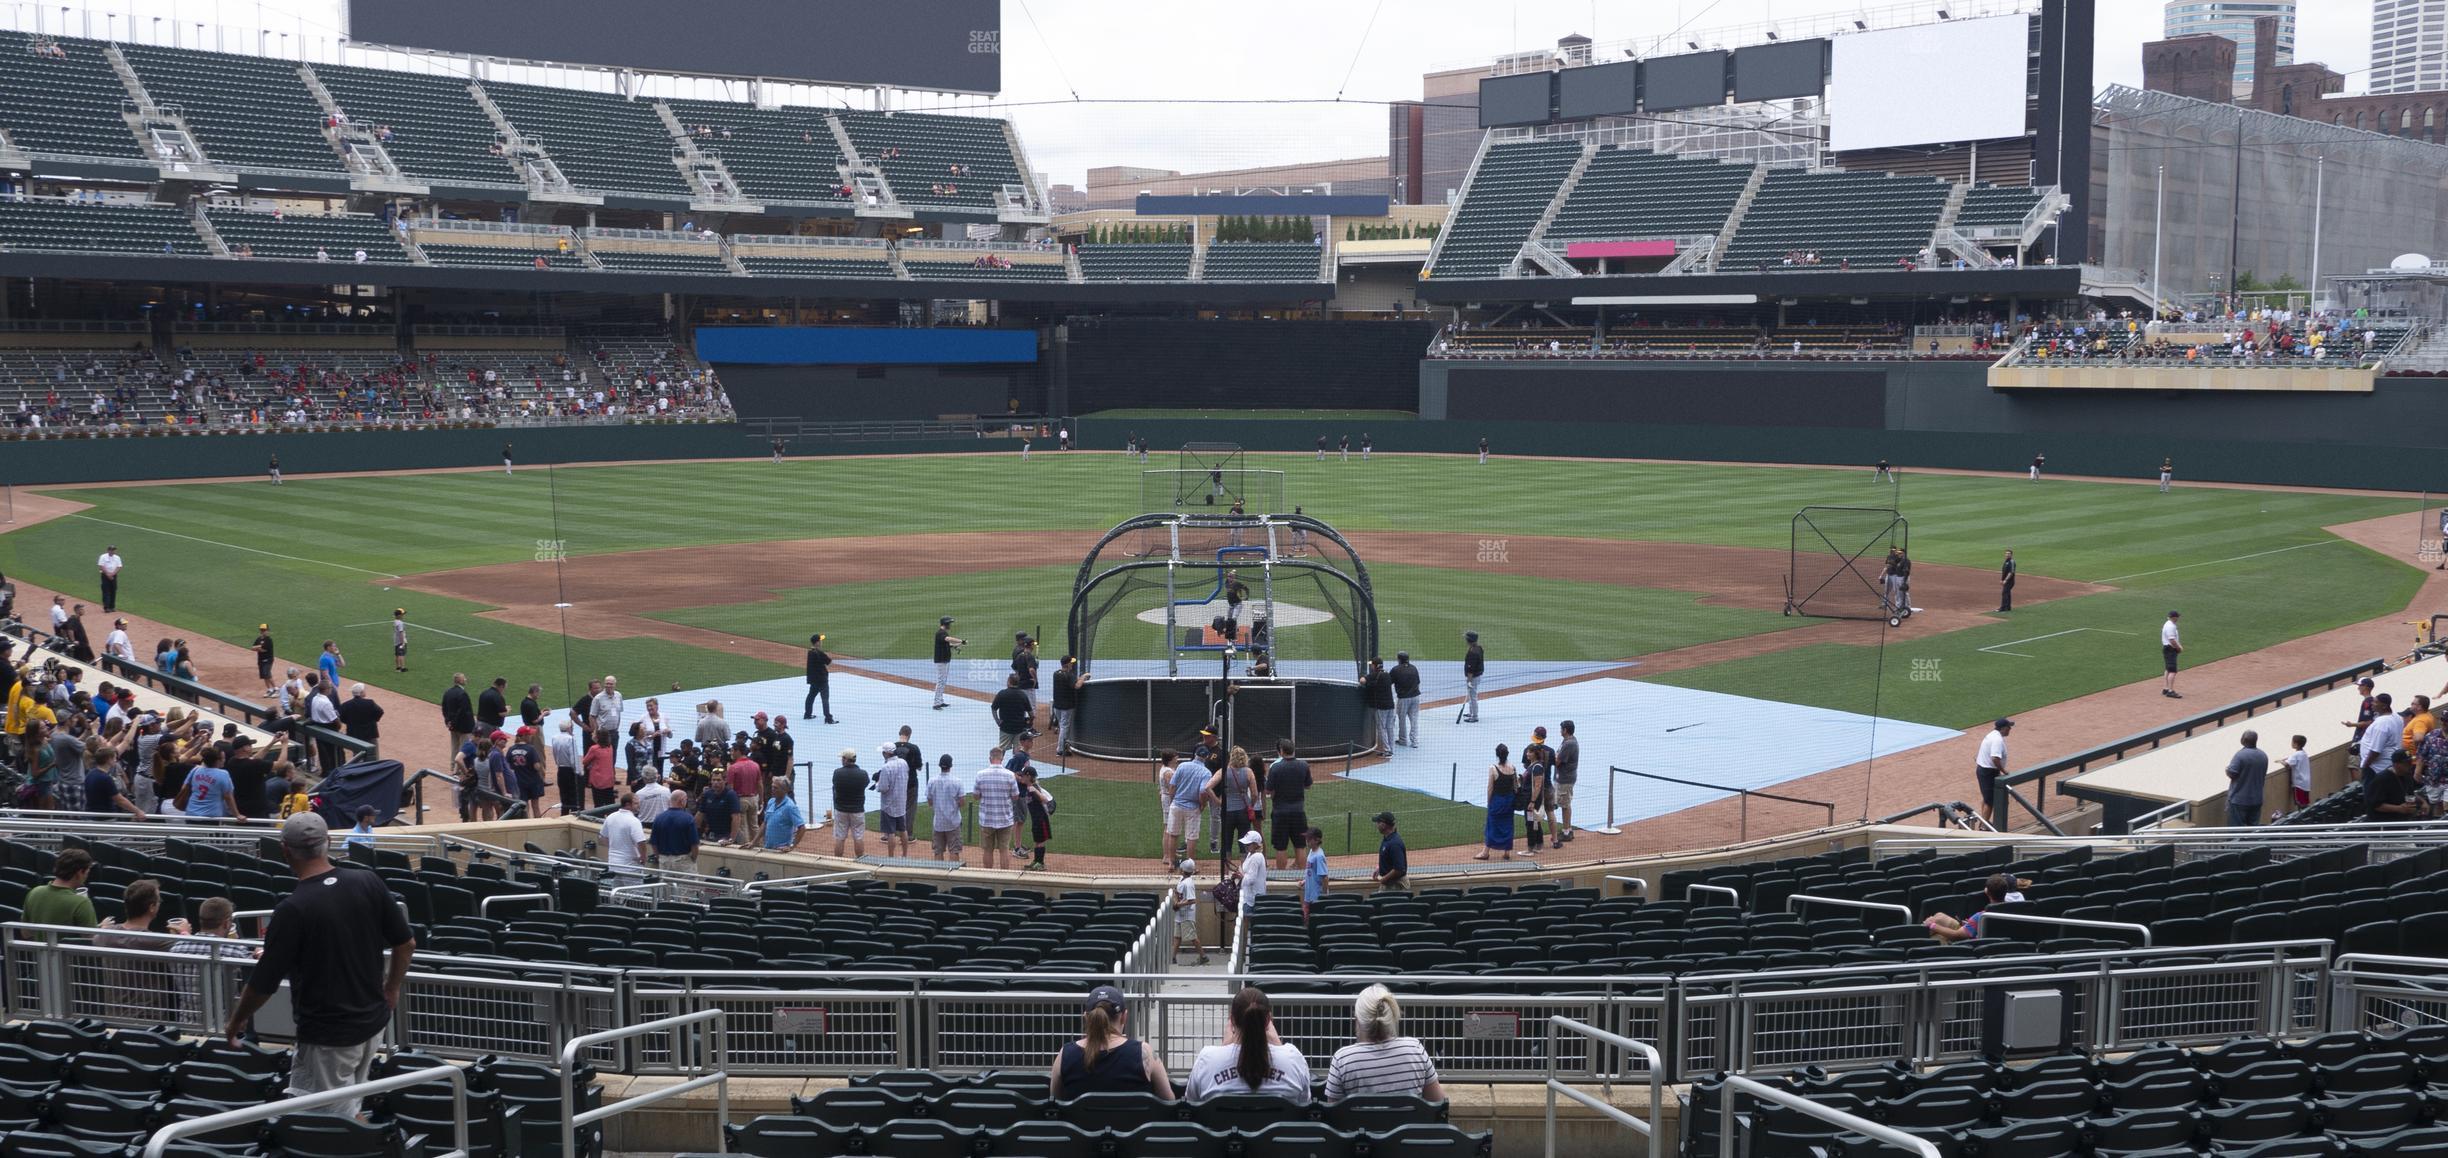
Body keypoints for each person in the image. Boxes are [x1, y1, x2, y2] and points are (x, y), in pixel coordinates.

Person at [224, 814, 415, 1119]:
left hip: (329, 1036)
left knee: (334, 1124)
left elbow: (264, 982)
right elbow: (406, 944)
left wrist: (236, 1022)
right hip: (372, 1024)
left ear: (285, 850)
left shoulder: (292, 909)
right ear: (328, 843)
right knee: (349, 1107)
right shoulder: (367, 880)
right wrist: (391, 989)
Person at [1184, 987, 1310, 1103]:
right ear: (1268, 1020)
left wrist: (1223, 1050)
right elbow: (1304, 1105)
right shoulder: (1293, 1058)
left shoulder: (1207, 1059)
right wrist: (1280, 1048)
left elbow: (1192, 1104)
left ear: (1232, 1020)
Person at [1323, 985, 1446, 1101]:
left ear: (1357, 1020)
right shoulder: (1415, 1049)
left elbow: (1334, 1115)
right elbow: (1438, 1103)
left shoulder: (1342, 1059)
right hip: (1409, 1123)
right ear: (1392, 1016)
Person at [1050, 985, 1174, 1099]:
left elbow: (1055, 1101)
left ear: (1086, 1018)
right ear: (1124, 1017)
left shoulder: (1065, 1054)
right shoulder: (1144, 1052)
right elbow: (1169, 1101)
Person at [23, 848, 97, 928]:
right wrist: (103, 929)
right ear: (79, 873)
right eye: (87, 873)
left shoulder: (34, 892)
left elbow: (25, 933)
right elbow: (90, 938)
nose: (86, 877)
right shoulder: (81, 903)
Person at [974, 749, 1020, 870]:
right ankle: (1004, 878)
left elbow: (976, 796)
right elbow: (1016, 796)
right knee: (1004, 850)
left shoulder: (980, 774)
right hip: (1005, 818)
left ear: (990, 758)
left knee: (987, 850)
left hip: (986, 819)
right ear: (1002, 759)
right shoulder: (1010, 775)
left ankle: (988, 878)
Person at [1209, 746, 1259, 853]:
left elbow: (1207, 787)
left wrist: (1218, 802)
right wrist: (1251, 805)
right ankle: (1244, 868)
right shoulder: (1248, 772)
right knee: (1244, 844)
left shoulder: (1223, 771)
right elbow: (1254, 794)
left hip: (1227, 810)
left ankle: (1226, 869)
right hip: (1243, 811)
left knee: (1227, 844)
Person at [1166, 748, 1210, 867]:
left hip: (1176, 805)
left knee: (1173, 834)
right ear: (1206, 757)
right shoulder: (1206, 772)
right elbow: (1202, 792)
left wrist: (1172, 801)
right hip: (1193, 807)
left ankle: (1171, 862)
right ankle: (1190, 866)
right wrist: (1202, 805)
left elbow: (1172, 786)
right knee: (1191, 837)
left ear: (1195, 755)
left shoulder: (1182, 766)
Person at [1475, 744, 1518, 861]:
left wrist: (1489, 802)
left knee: (1492, 824)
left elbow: (1490, 788)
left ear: (1497, 755)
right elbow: (1515, 786)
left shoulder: (1493, 768)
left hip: (1497, 801)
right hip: (1509, 801)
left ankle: (1485, 852)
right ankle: (1507, 852)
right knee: (1508, 825)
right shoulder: (1513, 768)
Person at [927, 753, 970, 861]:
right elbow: (962, 802)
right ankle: (953, 875)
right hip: (953, 822)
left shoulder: (932, 781)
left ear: (940, 765)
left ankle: (939, 875)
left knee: (938, 851)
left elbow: (930, 802)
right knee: (954, 850)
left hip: (938, 823)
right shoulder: (957, 781)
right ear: (951, 766)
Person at [830, 748, 869, 859]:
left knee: (840, 837)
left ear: (846, 759)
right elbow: (865, 784)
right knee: (858, 837)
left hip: (841, 810)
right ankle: (860, 860)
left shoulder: (837, 773)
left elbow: (835, 785)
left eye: (842, 758)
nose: (841, 760)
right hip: (857, 811)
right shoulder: (863, 774)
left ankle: (837, 861)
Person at [2361, 693, 2406, 788]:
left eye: (2375, 702)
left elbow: (2375, 750)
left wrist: (2365, 766)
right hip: (2388, 764)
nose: (2372, 704)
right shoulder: (2397, 717)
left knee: (2373, 798)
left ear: (2384, 706)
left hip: (2376, 767)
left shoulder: (2382, 723)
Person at [1975, 717, 2013, 829]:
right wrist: (2004, 771)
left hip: (1983, 770)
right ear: (2003, 728)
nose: (2010, 729)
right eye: (2009, 727)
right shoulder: (1997, 740)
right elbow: (1995, 758)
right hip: (1988, 773)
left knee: (1987, 798)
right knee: (1990, 802)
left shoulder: (1991, 734)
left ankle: (1984, 822)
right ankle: (1982, 828)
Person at [1016, 763, 1055, 871]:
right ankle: (1036, 861)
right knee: (1037, 840)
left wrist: (1035, 791)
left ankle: (1040, 863)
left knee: (1041, 840)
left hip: (1041, 818)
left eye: (1023, 775)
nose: (1021, 777)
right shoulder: (1027, 786)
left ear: (1028, 776)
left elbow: (1045, 800)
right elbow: (1017, 777)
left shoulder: (1033, 788)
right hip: (1036, 819)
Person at [650, 789, 699, 873]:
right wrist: (693, 859)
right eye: (686, 800)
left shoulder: (659, 818)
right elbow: (694, 844)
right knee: (687, 886)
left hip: (664, 860)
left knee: (666, 885)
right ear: (682, 801)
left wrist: (659, 857)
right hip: (683, 860)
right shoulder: (688, 818)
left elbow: (654, 843)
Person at [601, 792, 647, 877]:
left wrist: (613, 848)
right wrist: (643, 857)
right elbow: (641, 842)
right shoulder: (634, 821)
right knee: (634, 890)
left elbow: (603, 837)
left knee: (616, 889)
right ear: (628, 805)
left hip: (613, 863)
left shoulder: (611, 816)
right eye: (636, 803)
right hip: (630, 865)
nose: (639, 806)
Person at [1170, 858, 1207, 964]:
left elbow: (1192, 900)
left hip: (1186, 915)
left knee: (1192, 937)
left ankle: (1203, 957)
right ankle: (1173, 957)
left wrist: (1178, 904)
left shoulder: (1188, 883)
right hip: (1180, 914)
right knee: (1177, 936)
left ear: (1182, 870)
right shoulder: (1182, 879)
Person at [2369, 750, 2419, 822]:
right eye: (2407, 763)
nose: (2410, 765)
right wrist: (2398, 808)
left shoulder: (2407, 775)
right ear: (2396, 764)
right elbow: (2375, 805)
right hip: (2386, 824)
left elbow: (2410, 793)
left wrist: (2423, 802)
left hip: (2404, 821)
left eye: (2411, 762)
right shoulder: (2382, 779)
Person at [1049, 654, 1083, 756]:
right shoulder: (1069, 675)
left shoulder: (1056, 674)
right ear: (1068, 664)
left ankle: (1065, 745)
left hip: (1057, 706)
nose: (1072, 664)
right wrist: (1083, 678)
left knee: (1062, 726)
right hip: (1066, 707)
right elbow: (1077, 686)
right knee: (1064, 727)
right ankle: (1060, 749)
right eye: (1071, 663)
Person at [762, 776, 805, 850]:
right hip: (767, 847)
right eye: (772, 787)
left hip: (781, 850)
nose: (772, 790)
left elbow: (802, 828)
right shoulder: (771, 802)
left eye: (776, 788)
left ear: (785, 790)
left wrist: (791, 846)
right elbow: (765, 823)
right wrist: (753, 842)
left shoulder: (790, 807)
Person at [992, 675, 1033, 748]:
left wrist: (997, 721)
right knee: (1018, 750)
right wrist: (1030, 722)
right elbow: (1031, 714)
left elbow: (994, 709)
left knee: (1002, 749)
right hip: (1019, 728)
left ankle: (998, 759)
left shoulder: (1002, 694)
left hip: (1005, 727)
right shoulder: (1023, 695)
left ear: (1008, 682)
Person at [931, 617, 963, 709]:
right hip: (941, 661)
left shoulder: (943, 633)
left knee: (943, 681)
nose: (950, 625)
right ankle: (936, 703)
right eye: (949, 623)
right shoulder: (940, 633)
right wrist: (961, 641)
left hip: (945, 660)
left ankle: (940, 701)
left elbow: (948, 645)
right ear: (945, 624)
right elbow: (948, 639)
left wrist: (958, 645)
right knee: (941, 681)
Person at [1371, 811, 1408, 890]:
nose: (1376, 825)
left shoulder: (1394, 844)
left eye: (1378, 822)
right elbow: (1389, 859)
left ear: (1383, 825)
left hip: (1396, 886)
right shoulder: (1387, 839)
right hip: (1390, 884)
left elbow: (1399, 869)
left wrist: (1384, 879)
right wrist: (1380, 868)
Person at [804, 634, 835, 723]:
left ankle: (807, 714)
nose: (821, 642)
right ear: (817, 642)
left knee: (811, 696)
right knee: (825, 699)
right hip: (822, 680)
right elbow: (829, 662)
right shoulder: (819, 653)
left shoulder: (810, 652)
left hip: (814, 680)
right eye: (820, 640)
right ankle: (828, 718)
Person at [583, 729, 618, 808]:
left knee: (598, 803)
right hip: (609, 779)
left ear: (597, 738)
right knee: (610, 802)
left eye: (594, 734)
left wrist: (591, 764)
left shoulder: (594, 749)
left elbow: (585, 761)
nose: (592, 734)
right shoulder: (610, 747)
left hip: (598, 780)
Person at [1300, 826, 1328, 920]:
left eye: (1309, 838)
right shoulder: (1312, 851)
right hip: (1309, 894)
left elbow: (1324, 877)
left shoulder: (1319, 856)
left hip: (1316, 896)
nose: (1307, 840)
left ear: (1317, 840)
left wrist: (1324, 896)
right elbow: (1312, 871)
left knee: (1313, 920)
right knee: (1306, 918)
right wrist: (1305, 880)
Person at [2280, 733, 2313, 811]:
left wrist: (2280, 761)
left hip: (2299, 783)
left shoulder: (2296, 755)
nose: (2291, 743)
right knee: (2304, 802)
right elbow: (2293, 759)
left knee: (2300, 803)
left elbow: (2287, 764)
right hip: (2305, 783)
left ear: (2296, 744)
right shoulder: (2303, 753)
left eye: (2292, 742)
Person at [1460, 631, 1485, 723]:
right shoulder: (1478, 648)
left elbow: (1471, 669)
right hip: (1477, 675)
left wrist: (1469, 681)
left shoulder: (1473, 653)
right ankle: (1471, 712)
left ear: (1469, 640)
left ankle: (1474, 716)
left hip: (1473, 677)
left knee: (1473, 696)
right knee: (1471, 695)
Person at [2160, 611, 2184, 699]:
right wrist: (2178, 648)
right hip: (2170, 649)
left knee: (2168, 669)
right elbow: (2172, 640)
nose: (2178, 618)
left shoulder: (2168, 623)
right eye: (2177, 617)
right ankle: (2170, 691)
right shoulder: (2171, 626)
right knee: (2173, 671)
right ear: (2174, 617)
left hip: (2167, 649)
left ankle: (2166, 688)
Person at [95, 545, 121, 613]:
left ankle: (112, 607)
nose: (113, 551)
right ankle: (106, 607)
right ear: (108, 550)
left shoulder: (117, 557)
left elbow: (119, 567)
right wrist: (107, 574)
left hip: (113, 576)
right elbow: (101, 566)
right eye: (111, 550)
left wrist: (112, 574)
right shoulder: (103, 556)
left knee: (113, 591)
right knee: (106, 591)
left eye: (114, 550)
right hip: (105, 576)